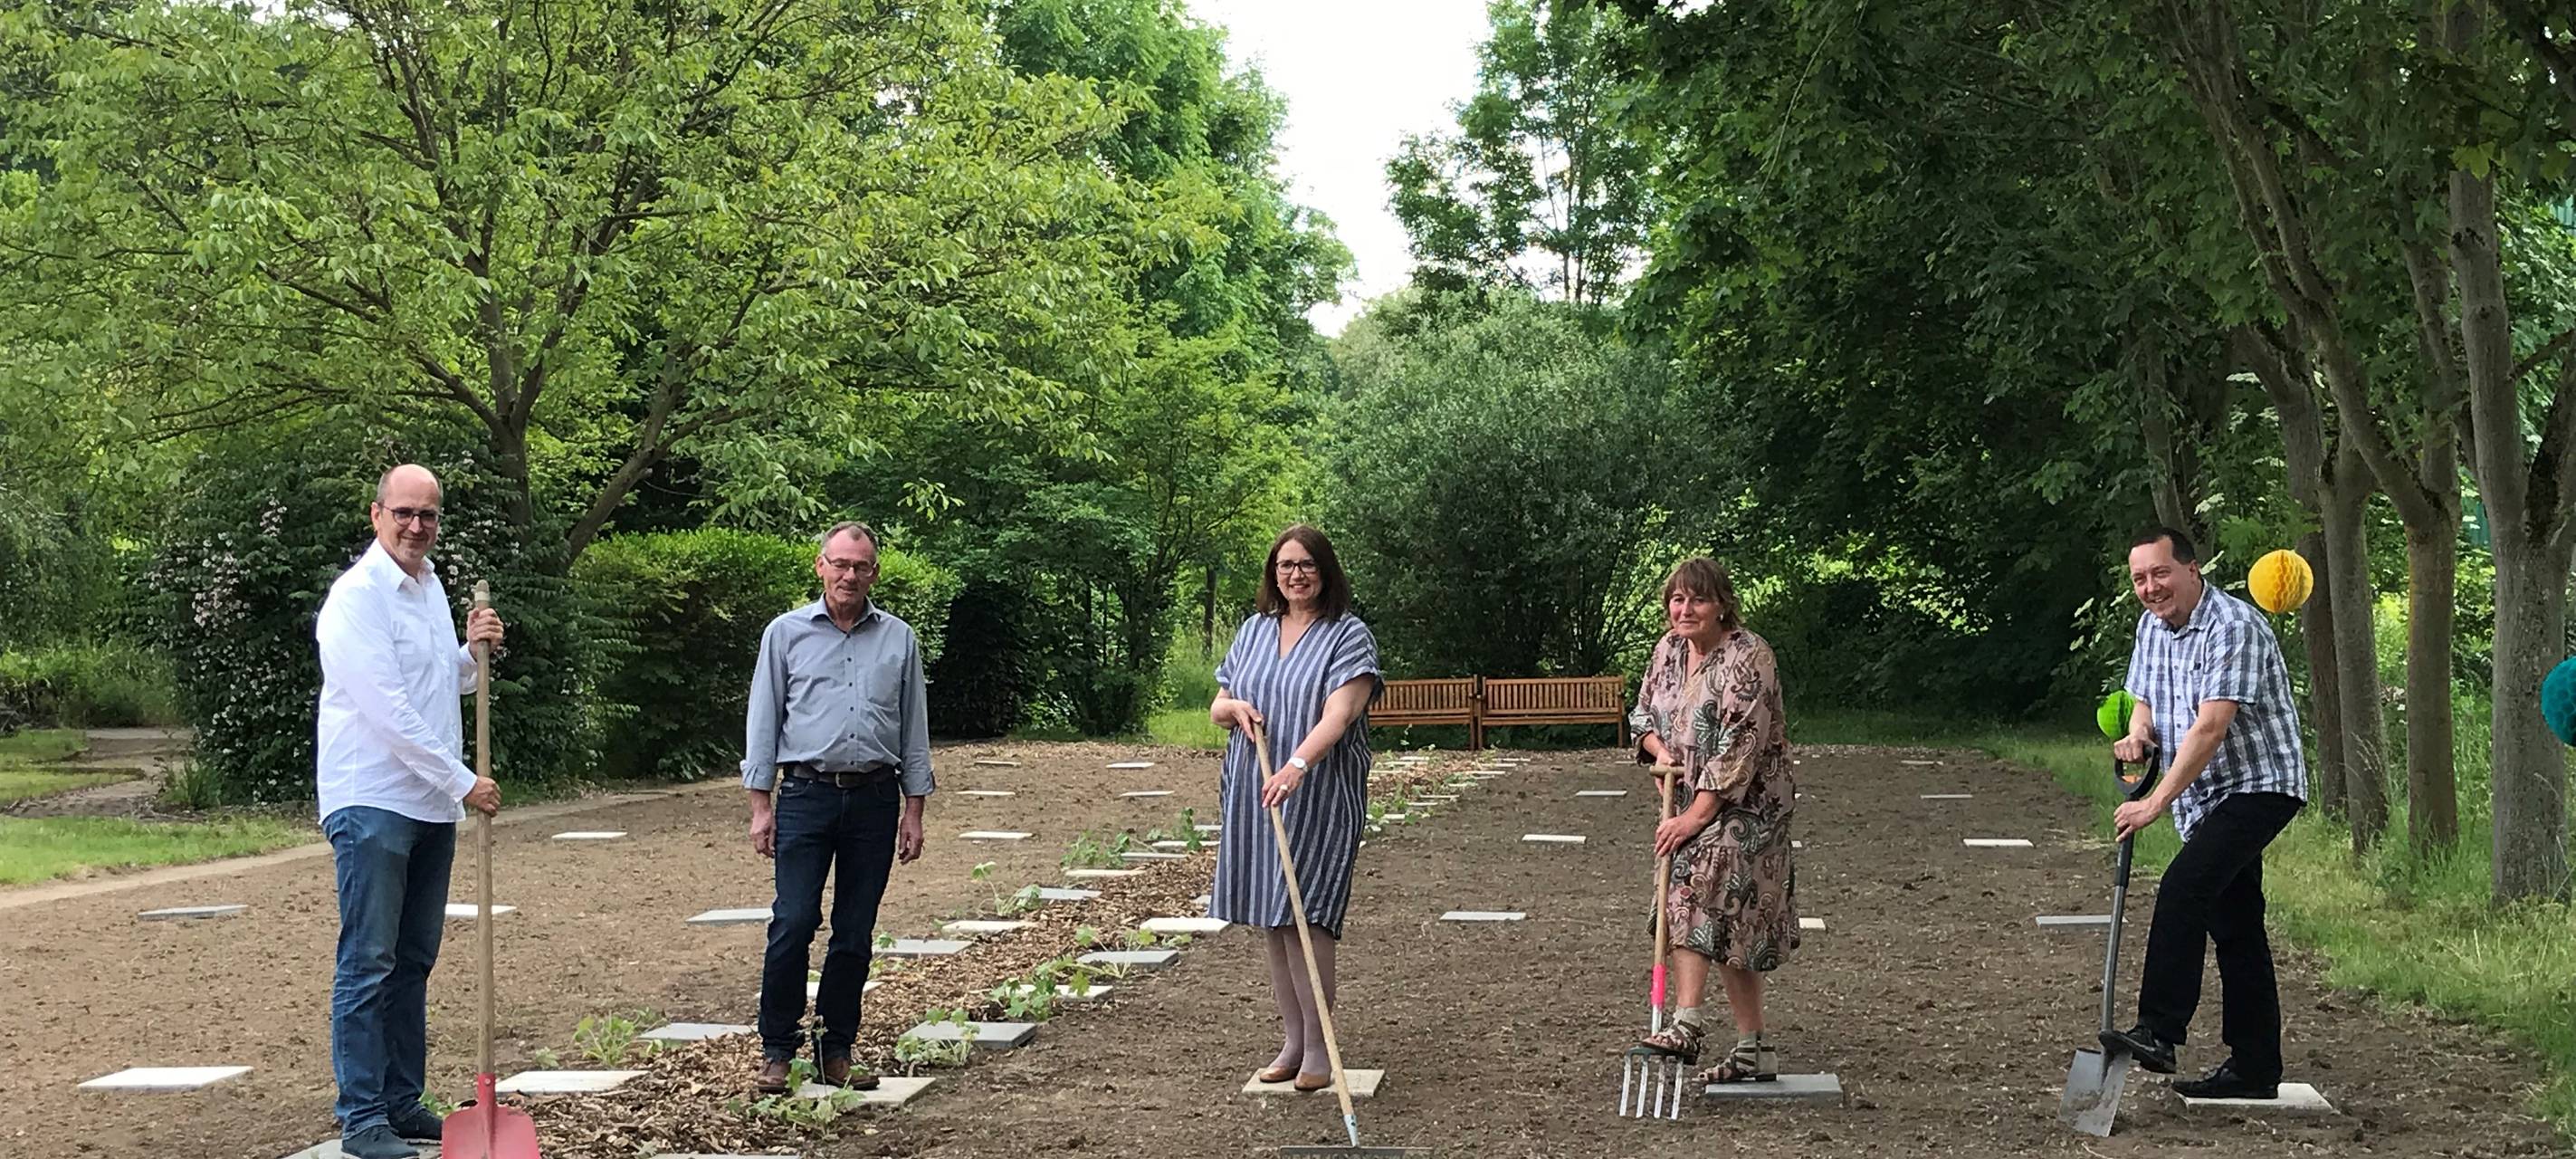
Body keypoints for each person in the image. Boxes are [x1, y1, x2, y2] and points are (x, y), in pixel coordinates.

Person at [313, 464, 505, 1159]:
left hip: (427, 804)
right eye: (404, 513)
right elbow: (388, 711)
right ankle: (363, 1117)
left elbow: (435, 685)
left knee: (413, 960)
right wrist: (464, 782)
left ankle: (400, 1101)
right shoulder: (356, 598)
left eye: (428, 515)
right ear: (377, 515)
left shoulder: (428, 590)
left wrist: (473, 654)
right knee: (369, 960)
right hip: (372, 800)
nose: (416, 526)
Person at [2097, 527, 2308, 1099]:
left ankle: (2159, 1030)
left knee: (2184, 887)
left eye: (2160, 573)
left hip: (2259, 784)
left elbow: (2211, 726)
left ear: (2192, 570)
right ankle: (2255, 1068)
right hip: (2206, 796)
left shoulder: (2233, 626)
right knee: (2236, 925)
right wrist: (2138, 734)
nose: (2150, 587)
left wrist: (2153, 802)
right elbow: (2144, 701)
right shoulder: (2151, 626)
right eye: (2140, 578)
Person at [741, 520, 931, 1095]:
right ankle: (778, 1049)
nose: (850, 575)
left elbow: (914, 728)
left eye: (861, 566)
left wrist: (914, 809)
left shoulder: (899, 638)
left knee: (854, 930)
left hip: (874, 798)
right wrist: (760, 804)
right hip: (806, 794)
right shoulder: (785, 634)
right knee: (794, 920)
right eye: (840, 564)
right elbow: (764, 719)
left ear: (875, 573)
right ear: (821, 566)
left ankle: (836, 1049)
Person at [1207, 525, 1383, 1090]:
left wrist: (1298, 765)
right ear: (1273, 574)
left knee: (1307, 913)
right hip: (1254, 787)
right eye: (1285, 565)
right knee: (1272, 915)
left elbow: (1340, 714)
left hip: (1318, 792)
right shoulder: (1254, 630)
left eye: (1306, 564)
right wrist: (1235, 708)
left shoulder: (1348, 635)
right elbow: (1217, 705)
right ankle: (1292, 1040)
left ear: (1325, 571)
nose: (1296, 574)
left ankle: (1320, 1048)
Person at [1628, 557, 1798, 1084]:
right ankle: (1753, 1050)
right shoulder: (1668, 651)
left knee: (1693, 881)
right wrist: (1660, 753)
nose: (1685, 609)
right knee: (1725, 919)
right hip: (1690, 801)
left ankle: (1686, 1023)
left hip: (1750, 809)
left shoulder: (1750, 657)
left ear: (1722, 604)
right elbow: (1642, 716)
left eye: (1698, 599)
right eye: (1677, 600)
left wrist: (1693, 818)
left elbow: (1739, 748)